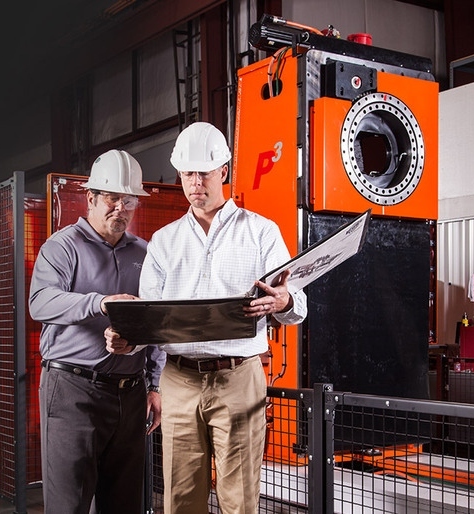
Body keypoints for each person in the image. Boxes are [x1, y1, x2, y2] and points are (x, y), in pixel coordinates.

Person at [105, 122, 308, 514]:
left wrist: (282, 301)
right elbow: (150, 313)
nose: (195, 182)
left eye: (204, 173)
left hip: (239, 377)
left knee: (239, 497)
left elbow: (298, 301)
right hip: (178, 381)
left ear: (223, 172)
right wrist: (129, 336)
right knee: (181, 497)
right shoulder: (164, 241)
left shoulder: (261, 232)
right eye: (187, 173)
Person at [28, 149, 165, 514]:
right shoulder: (62, 248)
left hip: (131, 394)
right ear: (90, 197)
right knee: (68, 504)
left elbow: (156, 321)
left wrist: (155, 385)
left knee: (125, 504)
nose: (121, 207)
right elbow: (40, 302)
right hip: (74, 391)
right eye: (112, 197)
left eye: (129, 199)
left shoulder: (145, 254)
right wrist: (99, 303)